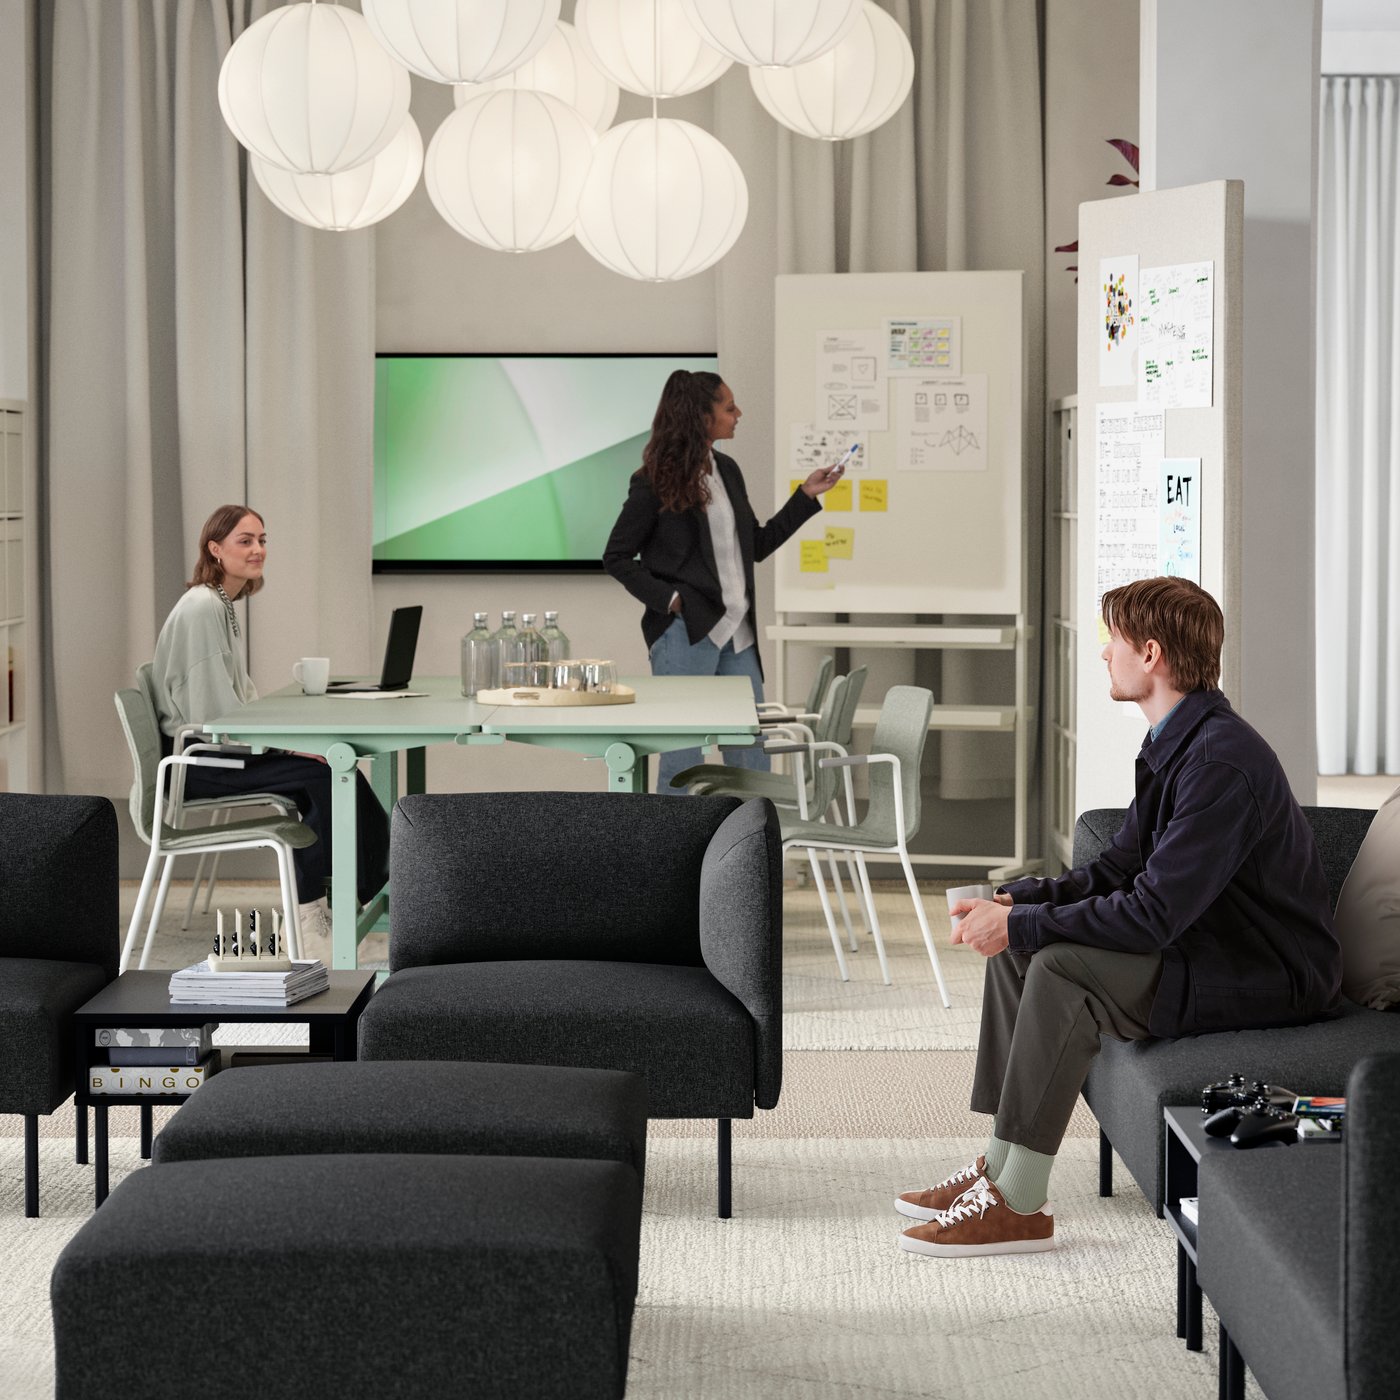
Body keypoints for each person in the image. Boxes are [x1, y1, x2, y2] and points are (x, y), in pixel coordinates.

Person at [895, 576, 1341, 1258]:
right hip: (1208, 946)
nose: (1105, 654)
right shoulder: (1176, 743)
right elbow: (1114, 871)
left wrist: (1021, 926)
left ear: (1153, 653)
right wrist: (1019, 902)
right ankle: (1000, 1169)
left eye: (1115, 641)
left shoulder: (1221, 763)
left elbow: (1154, 915)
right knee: (1023, 949)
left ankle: (1018, 1204)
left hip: (1266, 973)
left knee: (1059, 966)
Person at [148, 504, 391, 957]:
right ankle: (323, 908)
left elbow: (229, 702)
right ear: (215, 549)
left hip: (212, 751)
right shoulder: (203, 607)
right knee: (327, 773)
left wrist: (289, 745)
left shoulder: (218, 603)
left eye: (262, 539)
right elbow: (213, 716)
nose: (258, 549)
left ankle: (343, 898)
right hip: (199, 761)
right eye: (245, 540)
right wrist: (288, 747)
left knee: (324, 775)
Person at [603, 369, 845, 792]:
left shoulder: (727, 470)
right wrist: (671, 599)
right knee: (683, 758)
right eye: (729, 407)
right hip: (685, 634)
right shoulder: (653, 480)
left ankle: (749, 849)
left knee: (750, 754)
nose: (738, 414)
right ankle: (672, 856)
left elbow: (756, 544)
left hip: (738, 635)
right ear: (701, 416)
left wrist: (805, 496)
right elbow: (616, 556)